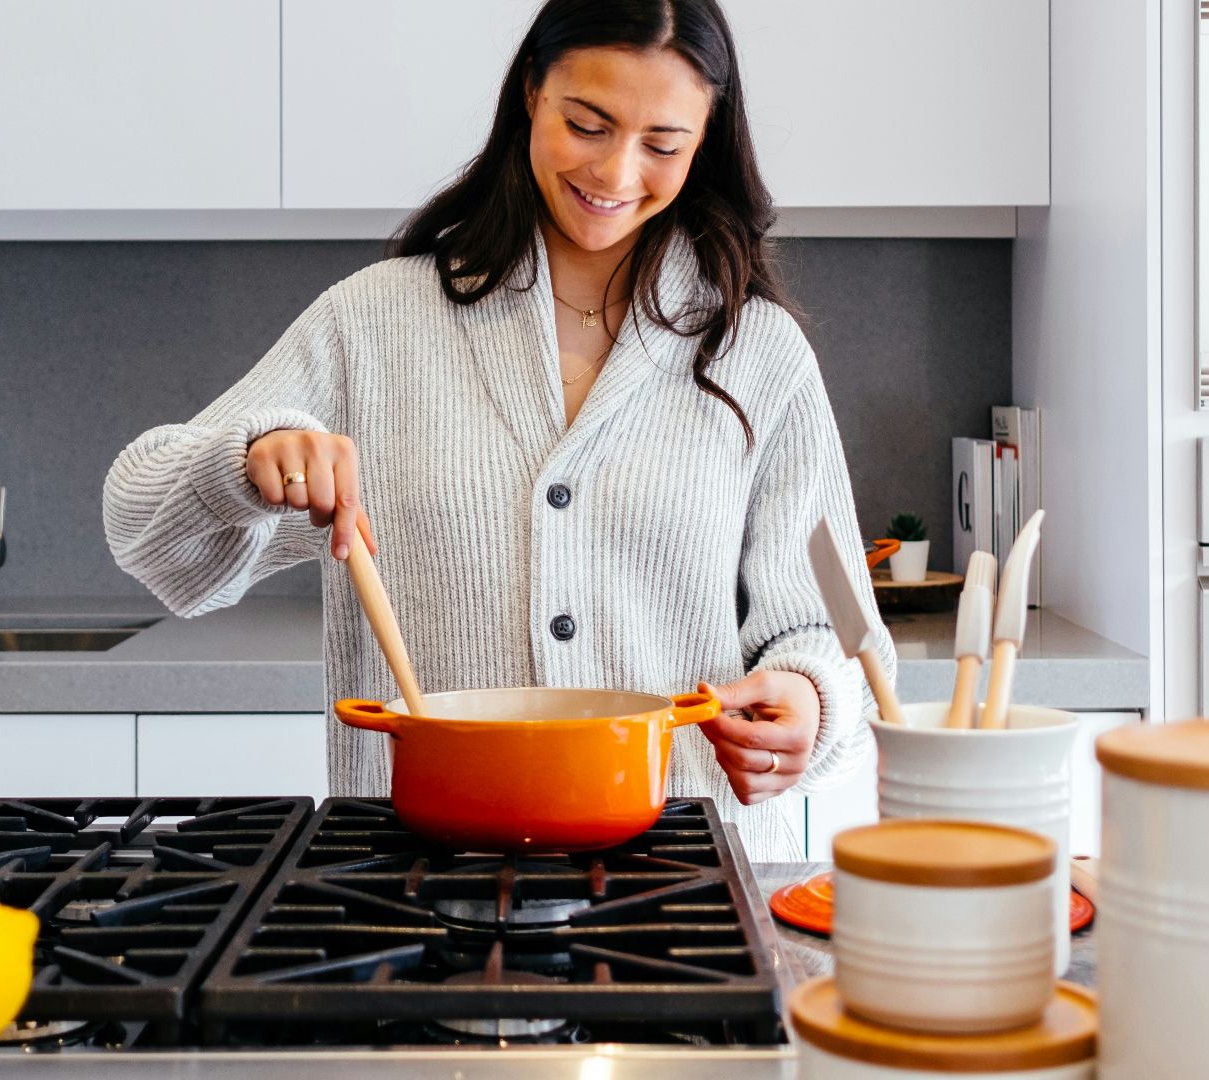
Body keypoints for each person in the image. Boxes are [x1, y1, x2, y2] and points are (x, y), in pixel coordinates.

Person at [103, 0, 894, 861]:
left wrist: (812, 701)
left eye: (663, 144)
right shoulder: (375, 325)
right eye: (587, 124)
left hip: (690, 882)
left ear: (706, 141)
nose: (618, 171)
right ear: (530, 93)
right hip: (414, 883)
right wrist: (246, 461)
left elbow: (836, 633)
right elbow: (143, 530)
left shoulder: (757, 351)